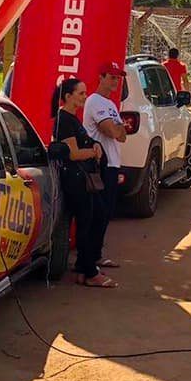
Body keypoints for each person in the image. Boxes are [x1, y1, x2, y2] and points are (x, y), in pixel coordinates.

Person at [51, 79, 116, 288]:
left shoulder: (73, 119)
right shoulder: (64, 120)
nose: (84, 97)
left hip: (84, 179)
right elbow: (73, 153)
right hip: (76, 180)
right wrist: (93, 152)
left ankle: (83, 267)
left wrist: (95, 144)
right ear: (68, 96)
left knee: (97, 216)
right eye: (80, 93)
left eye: (85, 93)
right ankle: (89, 271)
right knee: (87, 223)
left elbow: (84, 141)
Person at [83, 62, 127, 269]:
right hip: (101, 165)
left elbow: (122, 136)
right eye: (111, 77)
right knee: (98, 213)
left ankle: (96, 255)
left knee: (106, 212)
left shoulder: (110, 104)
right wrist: (118, 127)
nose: (115, 82)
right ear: (101, 77)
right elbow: (112, 131)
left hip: (112, 163)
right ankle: (89, 260)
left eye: (118, 78)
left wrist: (117, 128)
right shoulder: (95, 101)